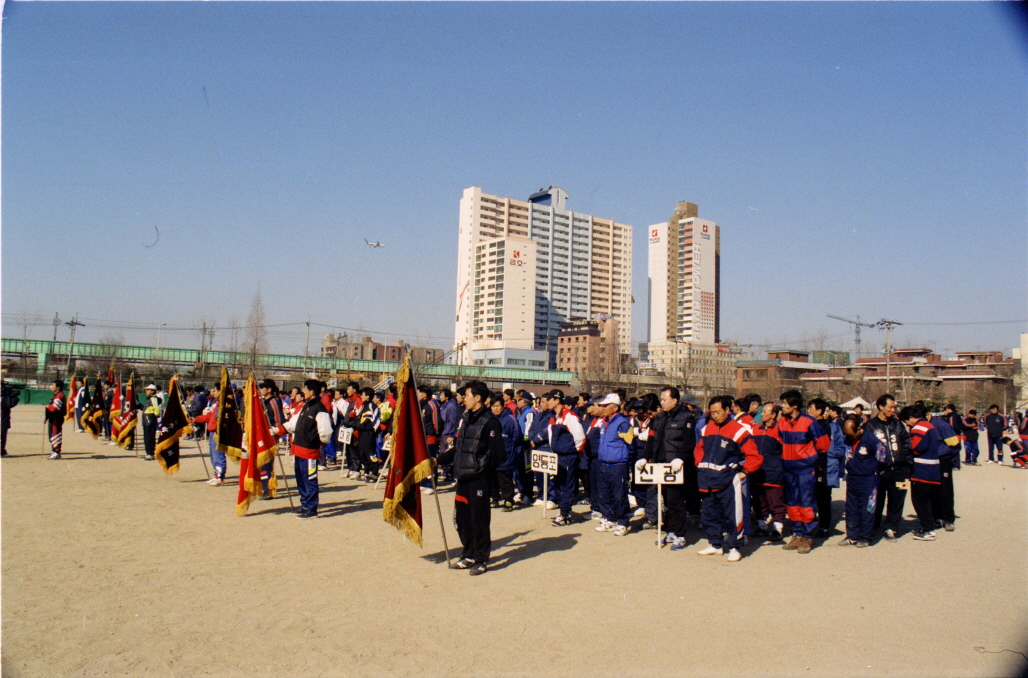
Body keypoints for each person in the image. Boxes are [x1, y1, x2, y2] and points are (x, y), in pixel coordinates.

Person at [437, 380, 505, 576]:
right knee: (461, 519)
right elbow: (459, 447)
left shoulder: (490, 422)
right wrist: (438, 460)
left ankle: (481, 559)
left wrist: (482, 470)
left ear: (478, 398)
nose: (463, 399)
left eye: (466, 395)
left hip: (478, 480)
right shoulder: (466, 418)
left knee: (479, 521)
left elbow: (498, 454)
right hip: (463, 478)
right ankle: (467, 554)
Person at [693, 395, 762, 561]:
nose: (715, 415)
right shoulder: (707, 428)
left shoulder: (739, 430)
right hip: (707, 479)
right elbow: (699, 448)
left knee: (733, 515)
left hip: (728, 480)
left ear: (727, 410)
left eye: (718, 412)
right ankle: (715, 544)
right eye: (712, 412)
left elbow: (754, 456)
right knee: (709, 514)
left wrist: (744, 472)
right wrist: (700, 463)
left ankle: (734, 547)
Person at [640, 386, 696, 549]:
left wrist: (680, 459)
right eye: (661, 400)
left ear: (675, 400)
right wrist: (645, 457)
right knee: (664, 500)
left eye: (664, 399)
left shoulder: (686, 417)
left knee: (675, 500)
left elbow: (689, 443)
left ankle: (680, 534)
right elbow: (651, 440)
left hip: (676, 466)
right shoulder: (659, 418)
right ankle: (670, 530)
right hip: (660, 465)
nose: (661, 403)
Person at [777, 390, 828, 553]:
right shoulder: (782, 422)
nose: (783, 406)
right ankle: (797, 533)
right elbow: (780, 440)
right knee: (792, 503)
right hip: (788, 469)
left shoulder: (809, 422)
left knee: (807, 502)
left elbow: (823, 444)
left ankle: (808, 536)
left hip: (805, 469)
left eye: (785, 403)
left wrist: (808, 457)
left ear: (795, 405)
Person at [283, 380, 332, 519]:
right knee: (300, 478)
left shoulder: (319, 409)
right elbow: (294, 424)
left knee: (310, 478)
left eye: (305, 388)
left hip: (310, 451)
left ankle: (311, 508)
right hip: (299, 449)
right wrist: (277, 430)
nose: (302, 391)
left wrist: (314, 441)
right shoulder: (306, 406)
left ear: (312, 391)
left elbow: (326, 433)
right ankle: (304, 504)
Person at [866, 394, 912, 541]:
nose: (893, 410)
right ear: (881, 407)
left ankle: (891, 528)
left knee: (897, 500)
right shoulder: (870, 425)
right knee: (876, 500)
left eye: (894, 407)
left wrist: (908, 464)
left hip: (899, 470)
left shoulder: (898, 424)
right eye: (890, 407)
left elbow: (906, 444)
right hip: (879, 471)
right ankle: (872, 527)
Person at [838, 415, 885, 547]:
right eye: (848, 435)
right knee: (851, 507)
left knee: (867, 509)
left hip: (869, 478)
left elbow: (882, 457)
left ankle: (865, 537)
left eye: (853, 434)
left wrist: (873, 469)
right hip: (853, 477)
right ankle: (852, 535)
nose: (851, 437)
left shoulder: (870, 439)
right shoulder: (846, 439)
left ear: (859, 428)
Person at [594, 394, 633, 536]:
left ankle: (623, 522)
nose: (603, 408)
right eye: (602, 406)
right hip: (604, 463)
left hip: (618, 465)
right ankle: (609, 518)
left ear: (615, 408)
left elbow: (630, 444)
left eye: (606, 405)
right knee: (604, 494)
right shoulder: (604, 422)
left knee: (619, 495)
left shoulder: (622, 423)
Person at [545, 390, 586, 527]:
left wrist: (574, 452)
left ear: (557, 400)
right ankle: (563, 511)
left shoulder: (570, 416)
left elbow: (579, 436)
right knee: (558, 483)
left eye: (550, 399)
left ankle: (565, 513)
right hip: (557, 455)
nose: (547, 402)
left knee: (567, 484)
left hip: (567, 456)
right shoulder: (553, 416)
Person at [902, 404, 941, 541]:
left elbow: (917, 447)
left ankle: (928, 529)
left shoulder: (918, 428)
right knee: (928, 500)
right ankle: (929, 526)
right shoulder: (929, 425)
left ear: (911, 418)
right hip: (933, 468)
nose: (907, 424)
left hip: (922, 469)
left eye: (906, 421)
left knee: (919, 501)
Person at [751, 402, 786, 542]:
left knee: (776, 501)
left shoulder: (780, 431)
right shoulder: (755, 429)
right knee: (759, 501)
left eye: (766, 411)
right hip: (757, 472)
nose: (762, 414)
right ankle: (762, 526)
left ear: (773, 415)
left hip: (774, 472)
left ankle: (778, 529)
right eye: (762, 411)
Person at [491, 392, 523, 511]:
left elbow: (517, 436)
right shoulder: (490, 419)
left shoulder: (510, 419)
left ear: (503, 406)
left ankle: (508, 501)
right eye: (493, 406)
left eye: (498, 406)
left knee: (505, 479)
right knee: (493, 478)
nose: (495, 408)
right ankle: (494, 498)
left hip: (507, 455)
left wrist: (509, 449)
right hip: (493, 456)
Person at [192, 383, 225, 485]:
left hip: (218, 433)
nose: (212, 392)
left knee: (218, 454)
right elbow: (209, 417)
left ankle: (220, 476)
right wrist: (196, 419)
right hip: (212, 431)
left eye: (214, 390)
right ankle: (216, 474)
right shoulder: (216, 404)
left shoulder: (224, 405)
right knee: (213, 454)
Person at [259, 379, 287, 497]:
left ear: (269, 389)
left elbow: (278, 419)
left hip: (270, 435)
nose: (260, 390)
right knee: (260, 462)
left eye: (262, 387)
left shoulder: (274, 401)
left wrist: (277, 432)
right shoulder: (263, 401)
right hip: (261, 435)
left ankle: (268, 488)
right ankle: (262, 486)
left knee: (266, 463)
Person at [418, 386, 442, 493]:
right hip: (421, 436)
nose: (417, 395)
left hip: (430, 436)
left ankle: (431, 484)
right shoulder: (420, 405)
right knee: (422, 459)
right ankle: (423, 481)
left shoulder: (432, 404)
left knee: (431, 459)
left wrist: (435, 433)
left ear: (424, 394)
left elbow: (436, 420)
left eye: (418, 393)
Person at [354, 387, 381, 482]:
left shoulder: (371, 406)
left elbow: (370, 421)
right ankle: (366, 471)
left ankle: (374, 473)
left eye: (363, 394)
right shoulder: (364, 405)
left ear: (368, 396)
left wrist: (358, 425)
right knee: (363, 452)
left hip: (369, 433)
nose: (361, 396)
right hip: (362, 433)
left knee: (370, 453)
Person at [45, 379, 67, 460]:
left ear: (58, 387)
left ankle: (57, 452)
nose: (51, 387)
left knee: (55, 434)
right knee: (51, 434)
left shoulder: (60, 395)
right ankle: (54, 451)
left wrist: (48, 407)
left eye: (53, 385)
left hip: (56, 418)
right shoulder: (55, 395)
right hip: (52, 417)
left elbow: (55, 408)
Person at [142, 384, 161, 461]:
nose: (146, 391)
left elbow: (156, 409)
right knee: (147, 437)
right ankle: (148, 452)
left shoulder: (153, 399)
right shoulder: (148, 399)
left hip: (150, 420)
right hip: (146, 420)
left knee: (149, 438)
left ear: (153, 391)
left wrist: (154, 416)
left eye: (148, 389)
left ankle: (150, 453)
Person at [1, 380, 20, 457]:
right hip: (2, 419)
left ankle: (2, 451)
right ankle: (1, 451)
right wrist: (14, 396)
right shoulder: (3, 398)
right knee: (2, 436)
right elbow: (10, 404)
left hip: (3, 418)